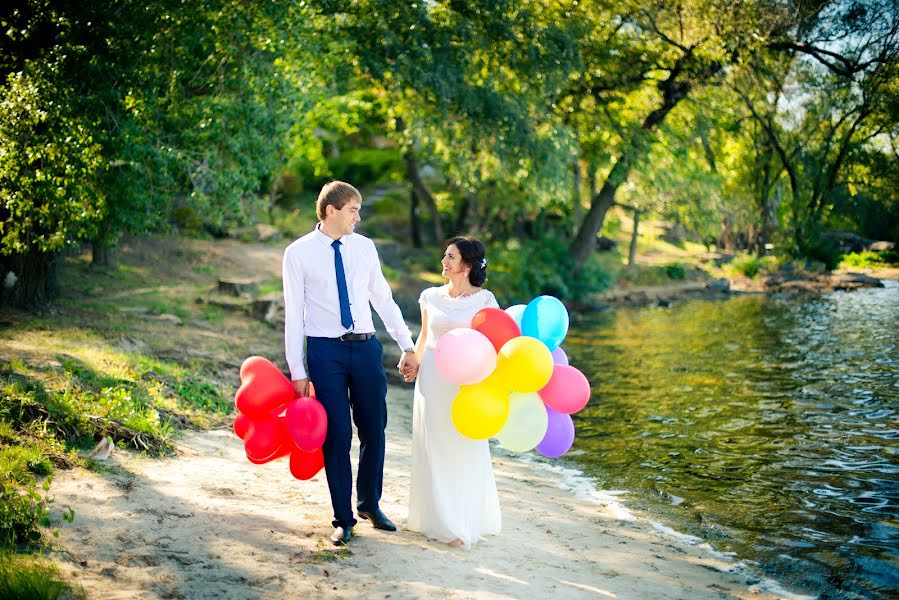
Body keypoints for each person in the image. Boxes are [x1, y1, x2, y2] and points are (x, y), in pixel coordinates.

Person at [282, 181, 419, 546]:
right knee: (338, 434)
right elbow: (294, 315)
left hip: (366, 348)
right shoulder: (298, 253)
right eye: (353, 210)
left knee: (374, 428)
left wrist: (407, 345)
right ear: (331, 210)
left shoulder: (365, 248)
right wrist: (297, 370)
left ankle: (370, 504)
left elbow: (384, 300)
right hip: (325, 353)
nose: (358, 217)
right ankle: (343, 518)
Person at [401, 236, 502, 549]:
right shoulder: (430, 296)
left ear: (467, 265)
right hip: (432, 375)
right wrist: (413, 360)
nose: (444, 262)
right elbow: (424, 336)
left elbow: (495, 344)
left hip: (466, 382)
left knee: (462, 445)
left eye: (451, 258)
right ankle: (440, 521)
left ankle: (464, 519)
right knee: (434, 445)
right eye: (444, 255)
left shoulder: (485, 301)